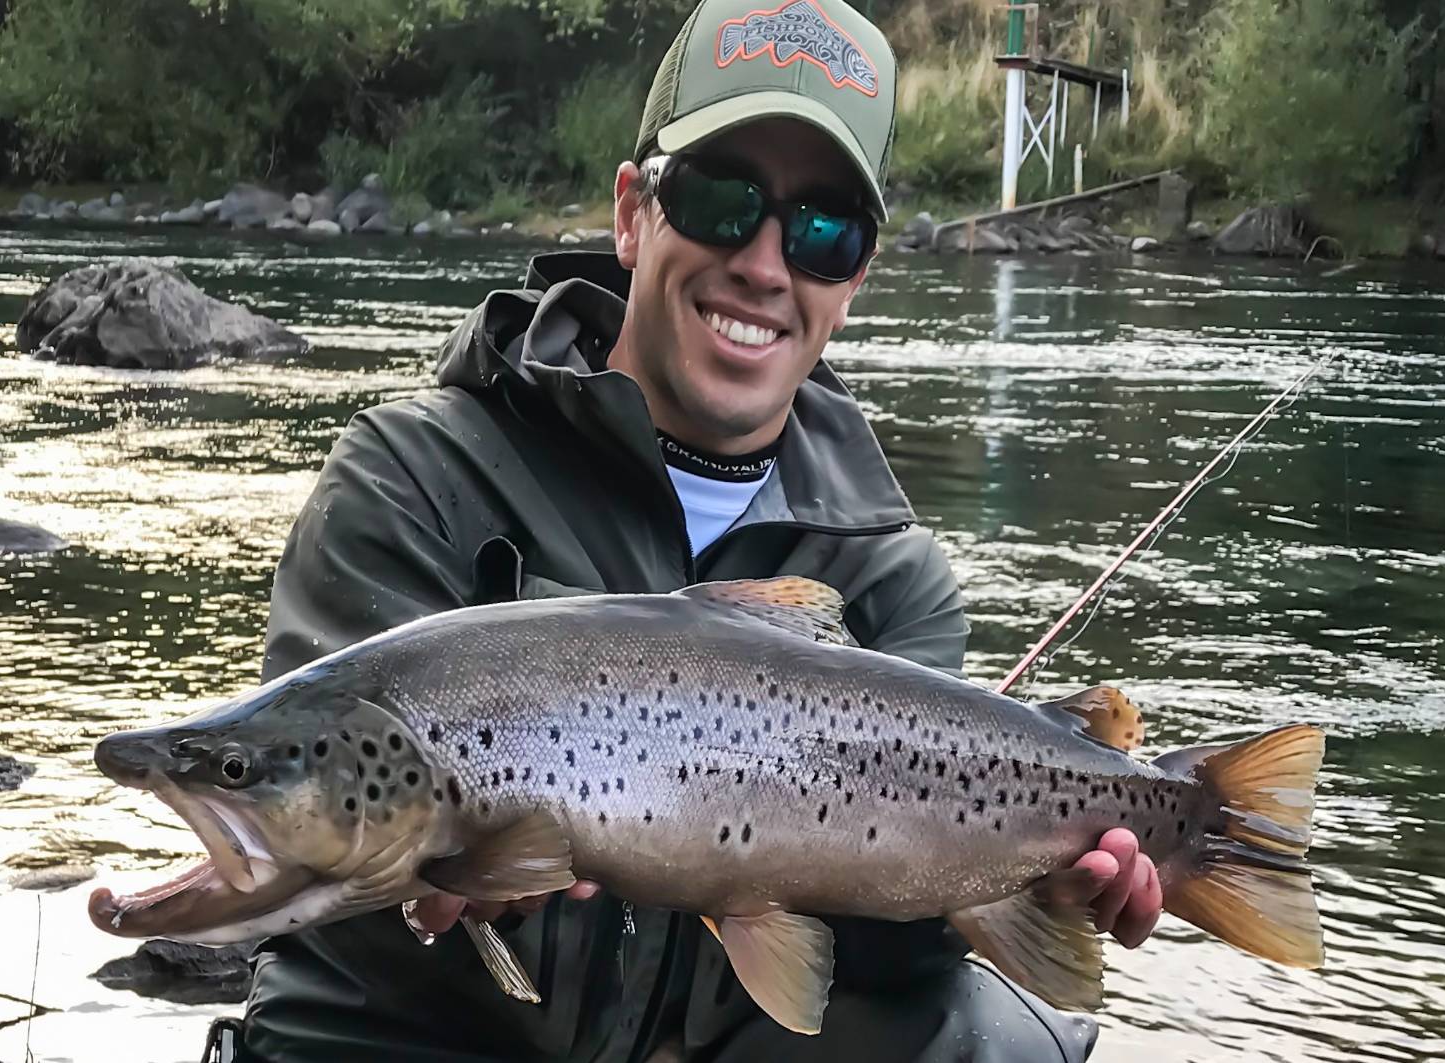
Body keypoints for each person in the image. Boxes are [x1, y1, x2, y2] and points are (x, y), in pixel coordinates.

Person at [232, 1, 1160, 1058]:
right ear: (632, 215)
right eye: (722, 199)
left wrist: (1029, 887)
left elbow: (867, 978)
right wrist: (449, 875)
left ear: (852, 281)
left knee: (1010, 1034)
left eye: (822, 229)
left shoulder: (889, 577)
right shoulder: (413, 478)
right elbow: (314, 845)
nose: (766, 263)